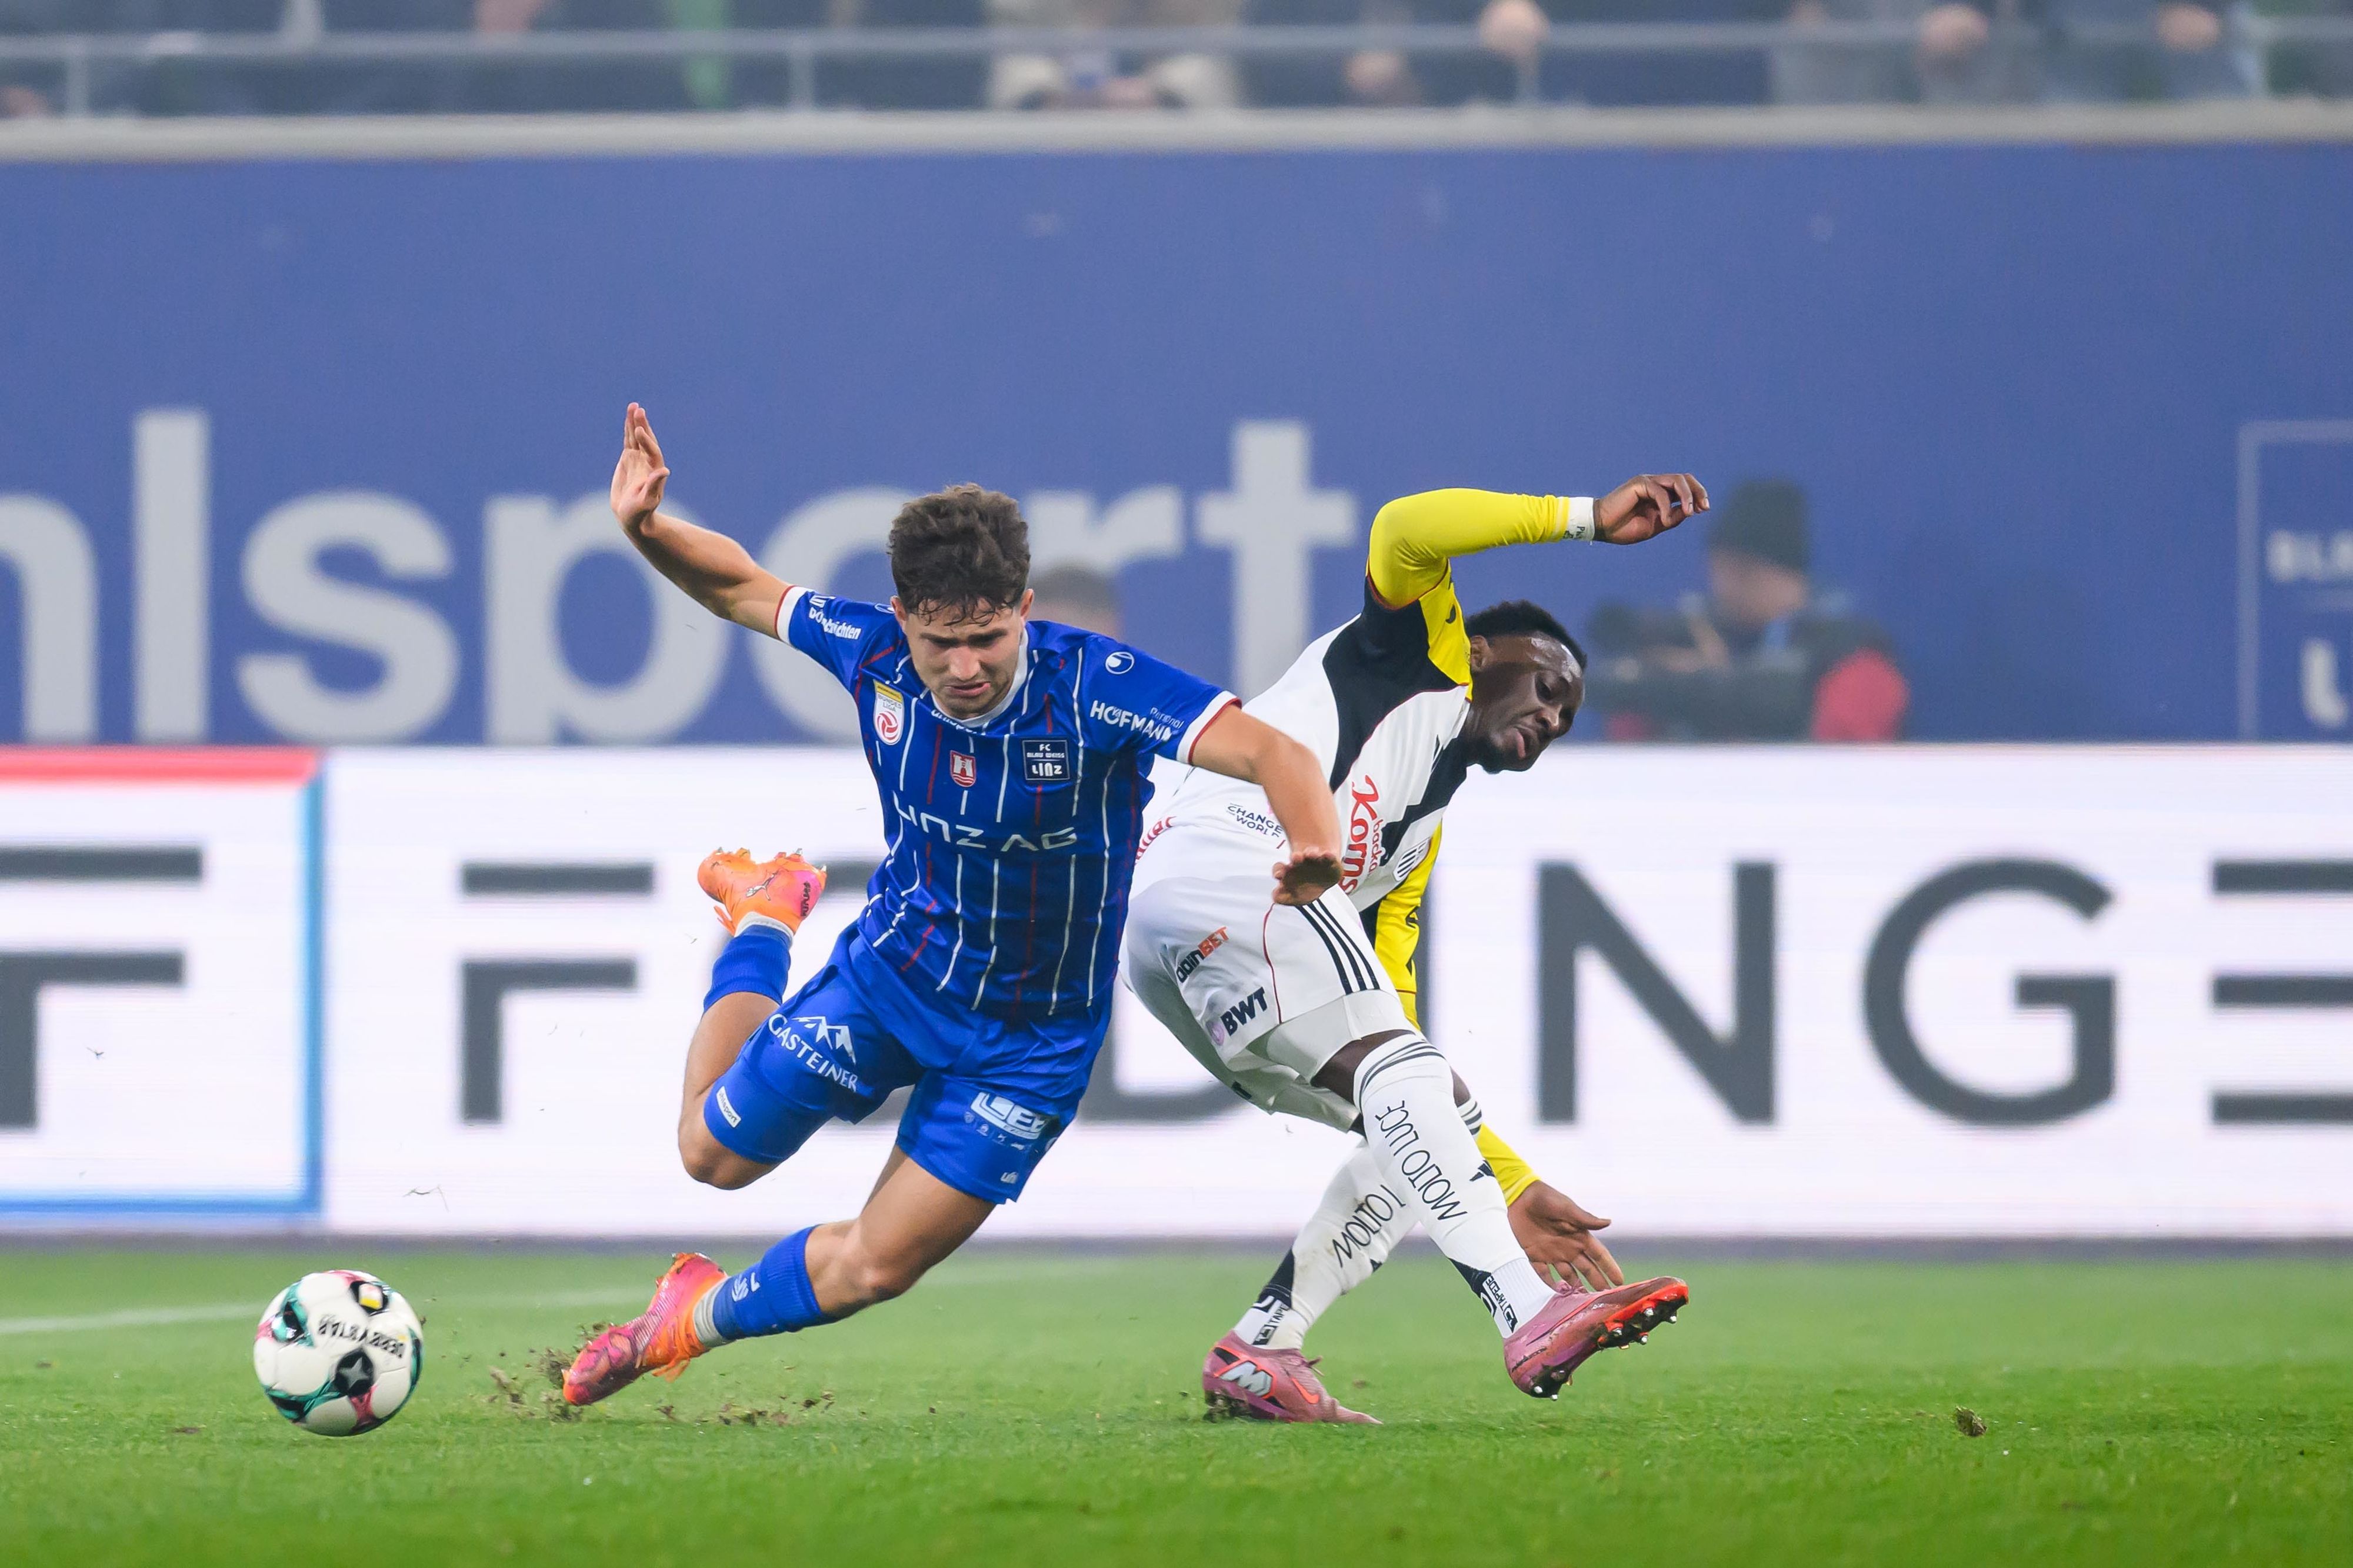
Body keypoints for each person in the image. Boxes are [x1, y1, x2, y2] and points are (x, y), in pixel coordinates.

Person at [562, 405, 1346, 1408]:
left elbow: (1275, 751)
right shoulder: (871, 652)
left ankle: (681, 1324)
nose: (966, 667)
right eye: (942, 643)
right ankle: (763, 921)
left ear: (1023, 607)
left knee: (876, 1269)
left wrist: (1313, 838)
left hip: (1032, 1038)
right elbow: (739, 586)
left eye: (988, 638)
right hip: (895, 977)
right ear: (903, 619)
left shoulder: (1095, 686)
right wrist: (644, 531)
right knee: (709, 1156)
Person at [1122, 476, 1707, 1422]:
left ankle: (1262, 1344)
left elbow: (1394, 1025)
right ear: (1481, 651)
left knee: (1416, 1100)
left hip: (1174, 937)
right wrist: (1588, 521)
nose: (1552, 719)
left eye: (1567, 719)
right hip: (1227, 852)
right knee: (1410, 1084)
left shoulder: (1412, 836)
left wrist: (1506, 1182)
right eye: (1546, 689)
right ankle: (1526, 1310)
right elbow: (1403, 525)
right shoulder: (1421, 651)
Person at [1583, 478, 1908, 742]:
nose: (1725, 587)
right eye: (1719, 570)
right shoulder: (1694, 634)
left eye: (1743, 571)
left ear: (1783, 573)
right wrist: (1661, 687)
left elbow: (1844, 765)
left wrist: (1716, 686)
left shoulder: (1850, 659)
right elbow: (1630, 756)